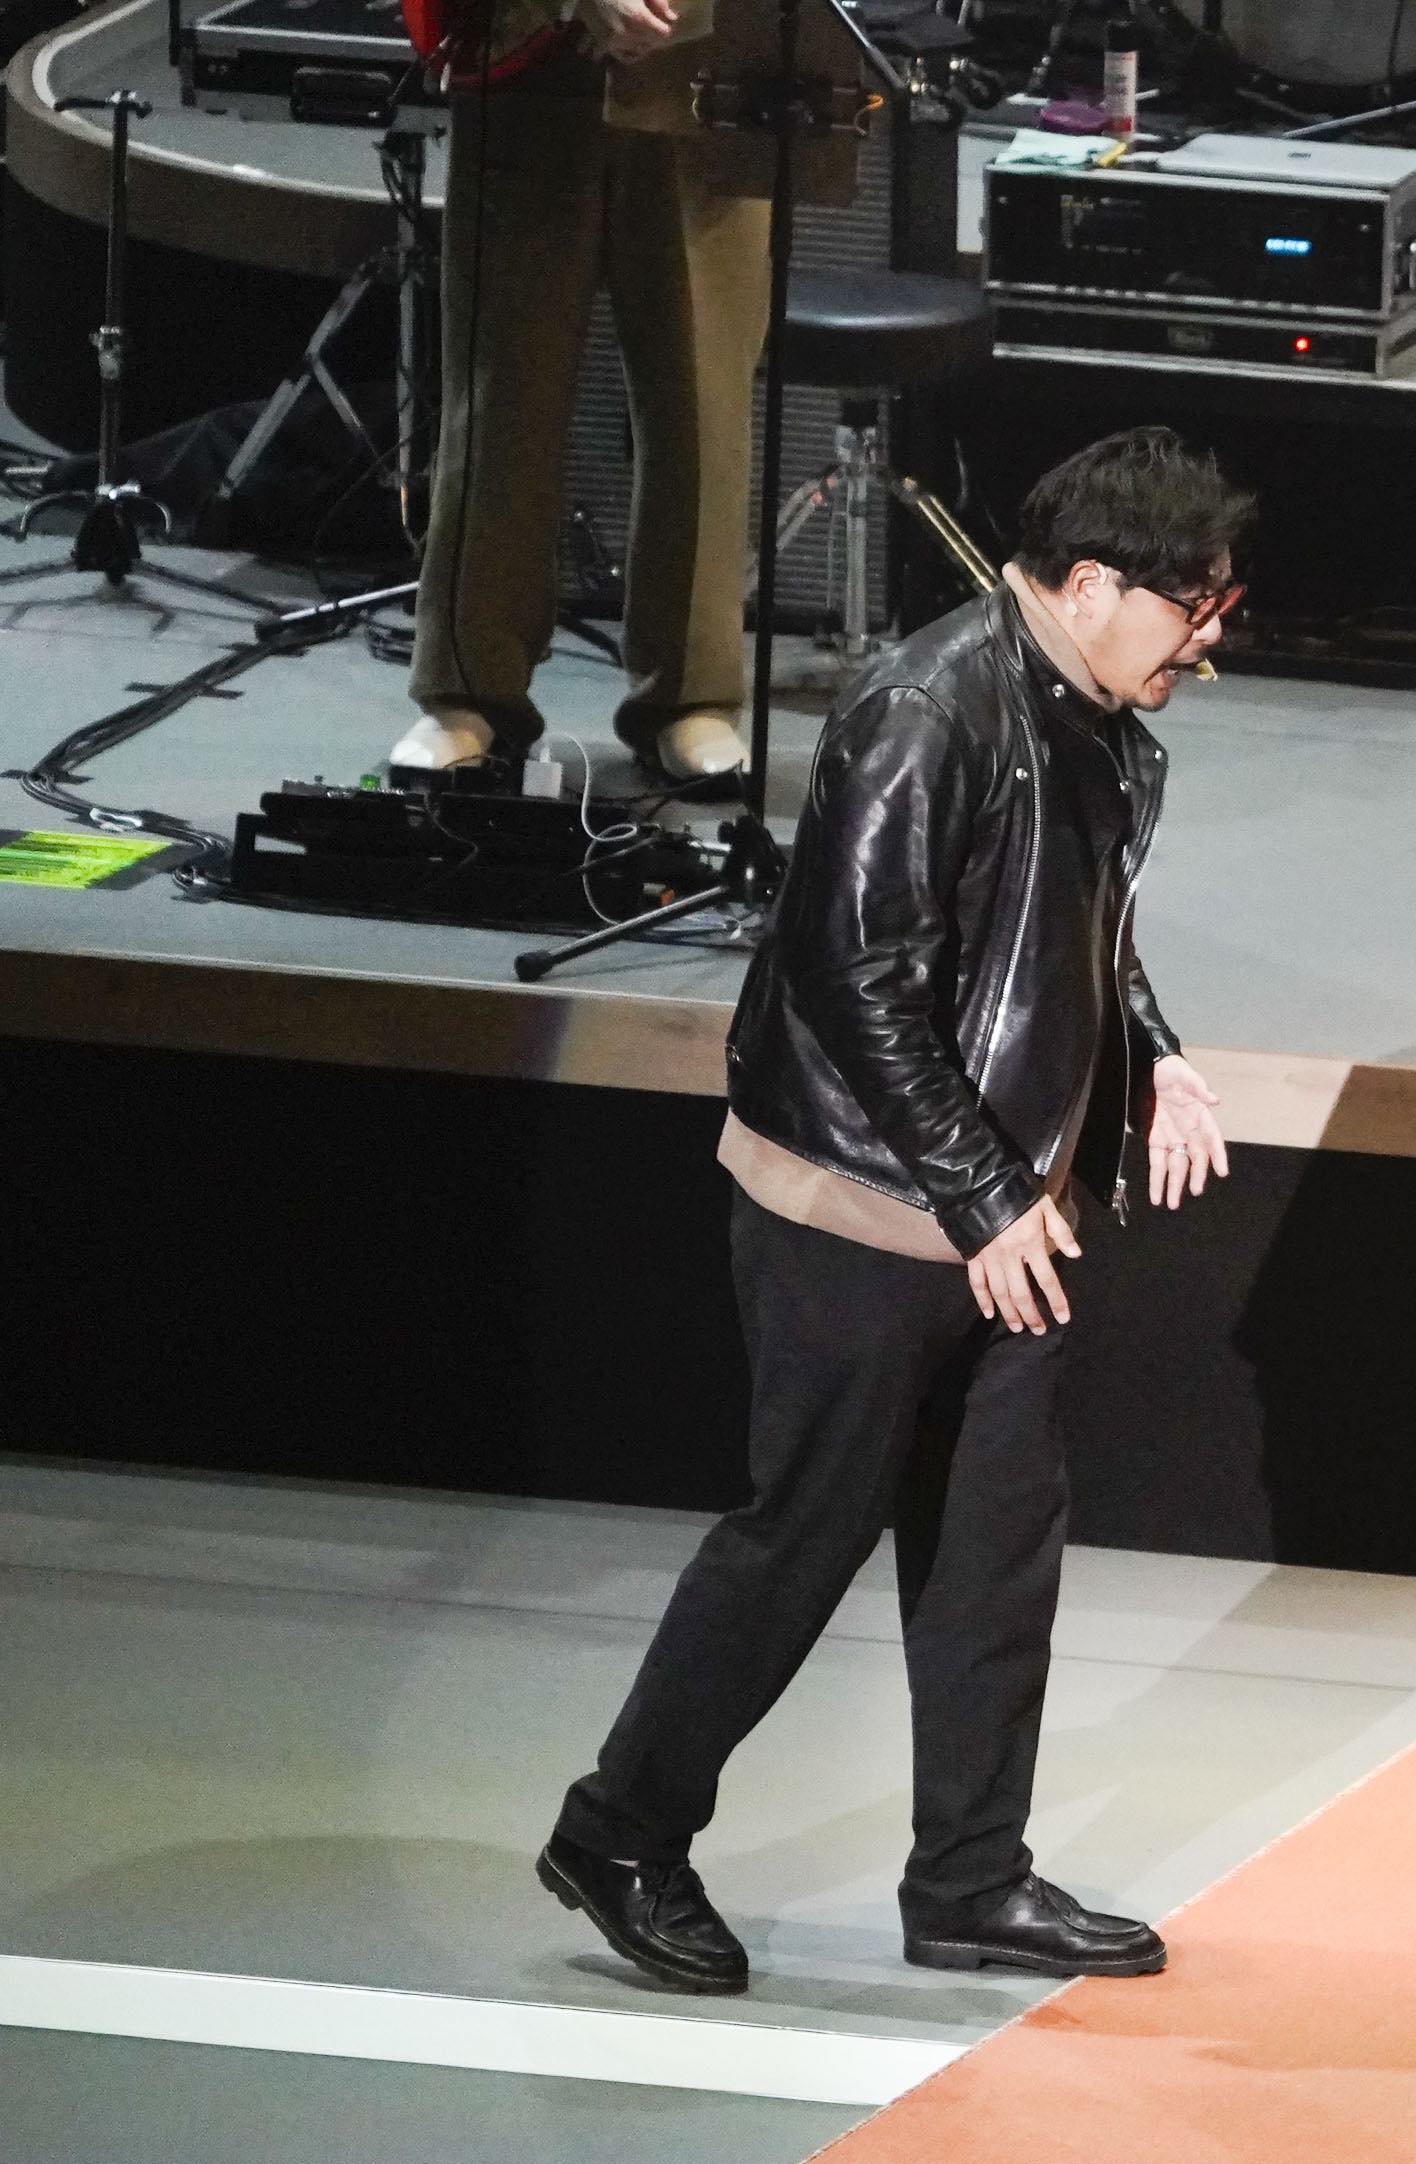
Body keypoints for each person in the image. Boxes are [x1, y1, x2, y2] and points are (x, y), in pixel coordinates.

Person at [535, 429, 1251, 1993]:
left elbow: (1072, 936)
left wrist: (1159, 1065)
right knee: (803, 1535)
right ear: (1089, 585)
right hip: (862, 1207)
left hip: (1004, 1209)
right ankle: (620, 1828)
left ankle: (970, 1881)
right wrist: (986, 1194)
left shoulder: (1101, 721)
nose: (1211, 637)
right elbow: (855, 979)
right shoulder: (929, 707)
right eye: (1192, 606)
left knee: (997, 1548)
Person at [393, 0, 856, 786]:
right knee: (499, 397)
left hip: (710, 68)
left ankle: (690, 695)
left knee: (701, 402)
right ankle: (468, 685)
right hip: (524, 56)